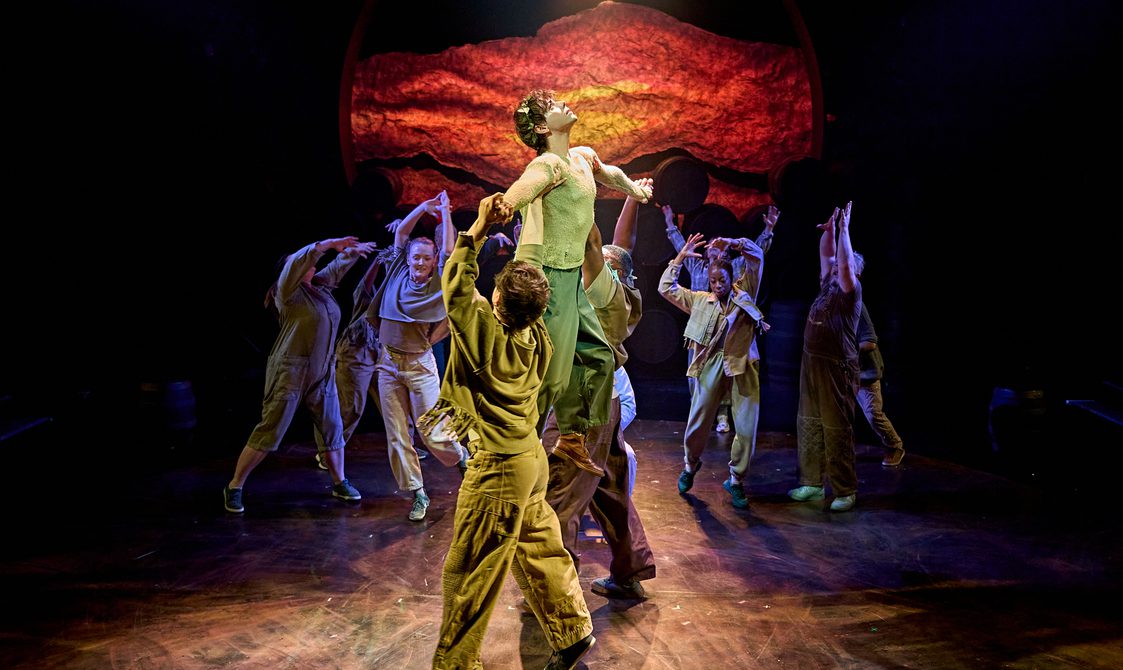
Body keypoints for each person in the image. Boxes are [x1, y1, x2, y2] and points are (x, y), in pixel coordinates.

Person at [418, 194, 595, 670]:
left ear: (497, 299)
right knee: (540, 550)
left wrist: (478, 226)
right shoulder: (537, 336)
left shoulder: (485, 335)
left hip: (498, 470)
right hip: (530, 460)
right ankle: (573, 631)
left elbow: (457, 283)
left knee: (470, 571)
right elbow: (519, 290)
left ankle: (456, 664)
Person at [501, 89, 653, 475]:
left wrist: (636, 190)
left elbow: (610, 174)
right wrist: (505, 205)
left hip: (570, 277)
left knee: (599, 357)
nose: (562, 104)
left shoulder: (582, 157)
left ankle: (571, 437)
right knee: (549, 375)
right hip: (548, 279)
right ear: (541, 127)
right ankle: (518, 450)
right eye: (552, 107)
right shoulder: (549, 165)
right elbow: (526, 186)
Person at [541, 185, 656, 600]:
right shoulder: (619, 289)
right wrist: (632, 199)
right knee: (610, 491)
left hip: (582, 405)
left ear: (615, 274)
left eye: (603, 264)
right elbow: (620, 246)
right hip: (603, 402)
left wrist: (574, 192)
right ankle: (630, 570)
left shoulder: (604, 291)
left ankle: (556, 591)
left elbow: (594, 245)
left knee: (559, 493)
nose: (590, 264)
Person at [223, 236, 376, 514]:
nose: (312, 265)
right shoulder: (288, 293)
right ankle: (235, 486)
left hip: (322, 371)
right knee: (271, 429)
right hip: (290, 371)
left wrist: (352, 252)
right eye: (306, 263)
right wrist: (326, 244)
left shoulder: (319, 288)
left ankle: (340, 481)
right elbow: (298, 261)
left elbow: (336, 268)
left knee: (333, 428)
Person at [368, 190, 468, 522]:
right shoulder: (398, 269)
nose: (420, 262)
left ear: (433, 259)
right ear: (408, 258)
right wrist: (422, 207)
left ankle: (460, 455)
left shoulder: (437, 281)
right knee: (397, 435)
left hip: (419, 365)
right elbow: (401, 233)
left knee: (432, 432)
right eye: (416, 257)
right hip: (388, 364)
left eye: (426, 258)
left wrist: (444, 212)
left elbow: (449, 249)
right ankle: (418, 493)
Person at [659, 231, 770, 510]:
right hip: (711, 363)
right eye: (713, 281)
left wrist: (733, 243)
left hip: (742, 363)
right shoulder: (700, 300)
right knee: (698, 420)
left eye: (722, 280)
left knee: (746, 428)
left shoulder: (745, 293)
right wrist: (680, 257)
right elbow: (666, 288)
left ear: (732, 278)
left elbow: (756, 256)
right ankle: (690, 465)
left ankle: (735, 480)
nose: (718, 285)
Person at [664, 204, 779, 433]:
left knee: (724, 374)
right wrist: (670, 224)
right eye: (712, 249)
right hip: (700, 331)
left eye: (720, 250)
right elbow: (680, 248)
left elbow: (756, 255)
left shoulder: (733, 268)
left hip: (723, 329)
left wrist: (768, 230)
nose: (716, 253)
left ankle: (723, 415)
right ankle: (699, 415)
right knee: (696, 376)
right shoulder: (698, 267)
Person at [788, 201, 863, 512]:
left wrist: (845, 231)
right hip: (812, 363)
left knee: (835, 428)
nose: (834, 270)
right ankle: (812, 483)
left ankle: (845, 489)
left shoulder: (850, 293)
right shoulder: (826, 287)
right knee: (808, 423)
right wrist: (830, 232)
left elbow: (843, 265)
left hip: (836, 368)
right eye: (832, 270)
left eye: (841, 268)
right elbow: (827, 256)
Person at [856, 300, 906, 467]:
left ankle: (894, 445)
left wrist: (847, 354)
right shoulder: (826, 303)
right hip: (841, 371)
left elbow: (869, 341)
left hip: (864, 373)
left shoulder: (855, 305)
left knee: (873, 414)